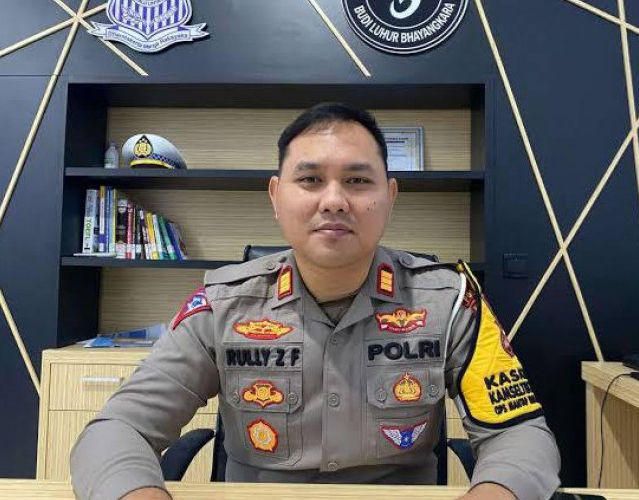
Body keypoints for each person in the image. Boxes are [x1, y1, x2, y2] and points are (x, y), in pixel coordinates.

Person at [71, 103, 560, 500]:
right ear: (276, 196)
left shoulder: (451, 303)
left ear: (390, 197)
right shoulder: (222, 305)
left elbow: (519, 432)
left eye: (358, 180)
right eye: (309, 180)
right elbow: (118, 429)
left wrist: (496, 492)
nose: (334, 200)